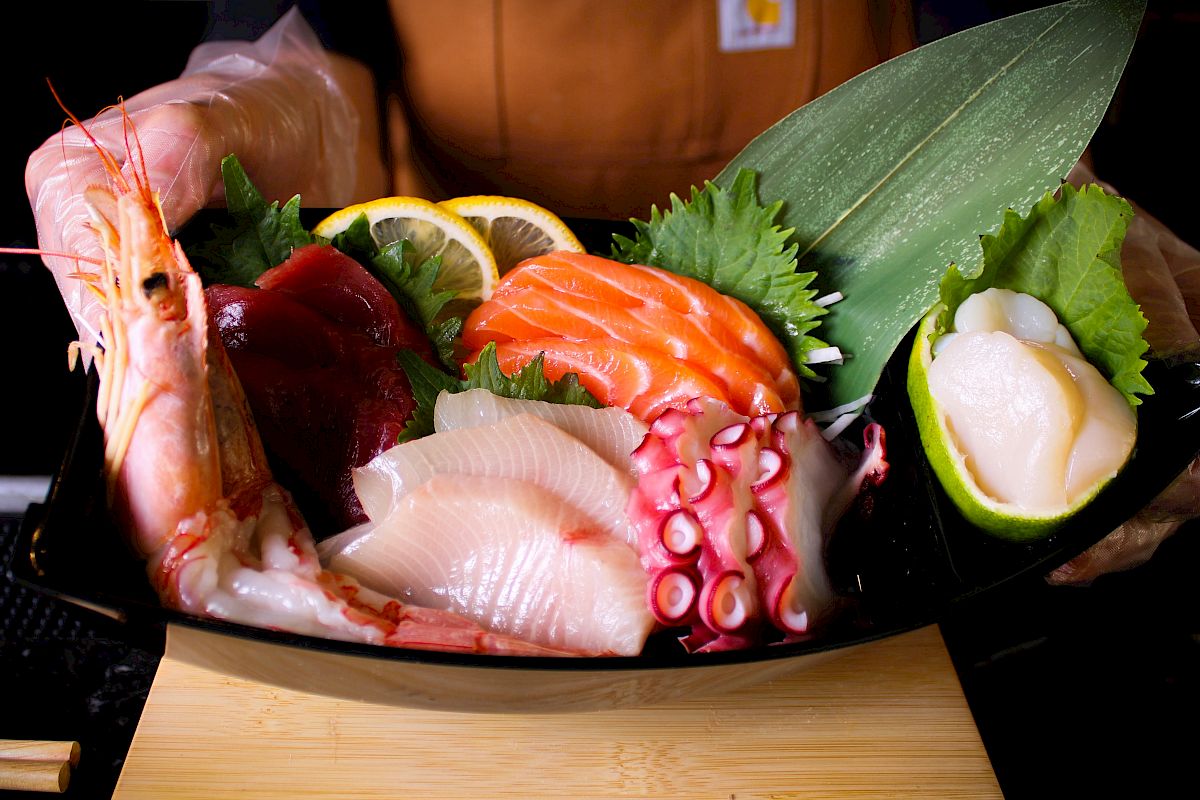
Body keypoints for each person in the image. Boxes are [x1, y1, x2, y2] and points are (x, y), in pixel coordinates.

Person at [22, 1, 1199, 582]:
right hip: (469, 288)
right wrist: (244, 106)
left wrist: (1042, 208)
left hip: (860, 274)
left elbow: (1008, 46)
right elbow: (311, 47)